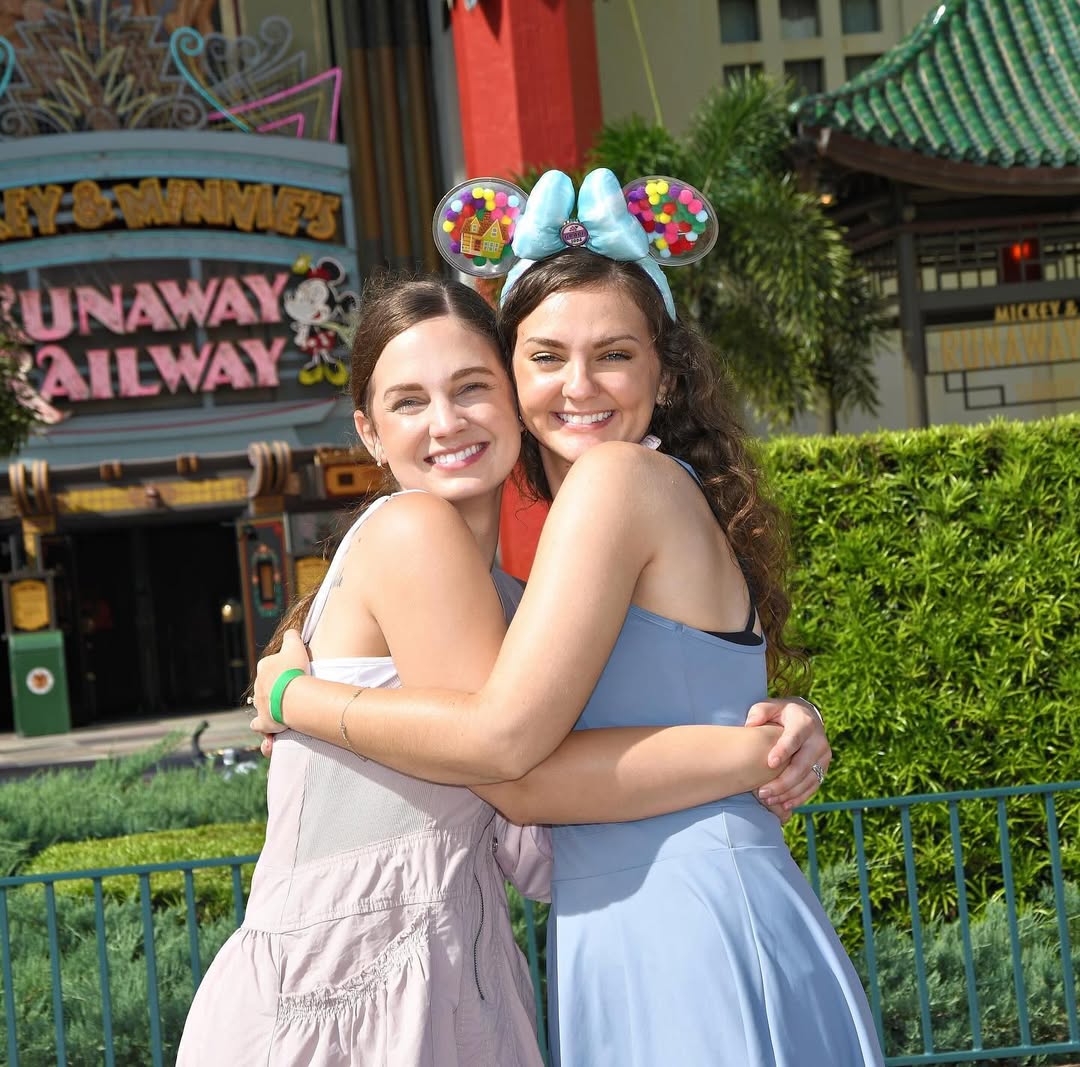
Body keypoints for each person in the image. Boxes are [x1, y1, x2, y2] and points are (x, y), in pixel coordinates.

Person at [253, 169, 881, 1065]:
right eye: (546, 356)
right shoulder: (536, 573)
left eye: (614, 354)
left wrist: (296, 697)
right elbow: (532, 818)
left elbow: (508, 754)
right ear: (515, 377)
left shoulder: (616, 481)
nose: (578, 385)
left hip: (684, 920)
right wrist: (764, 741)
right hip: (635, 916)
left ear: (665, 374)